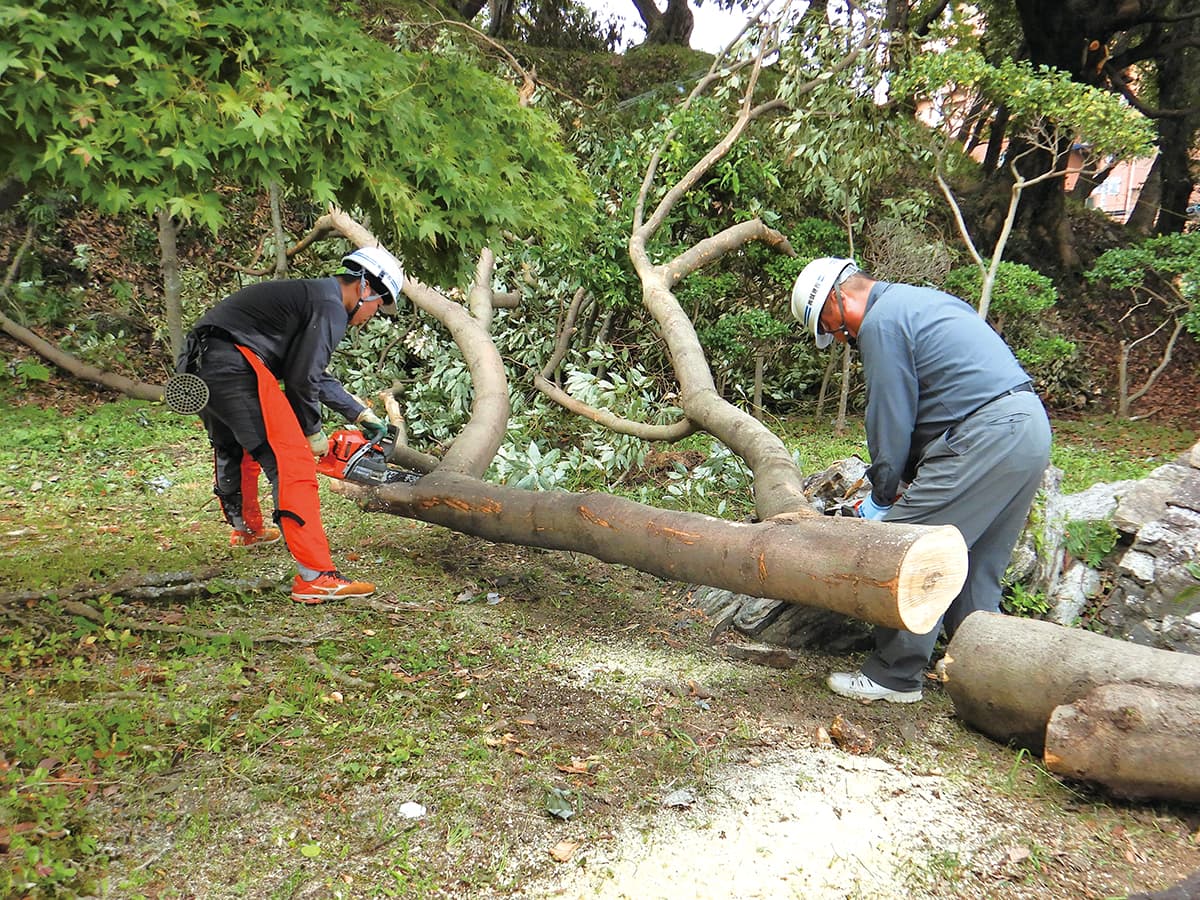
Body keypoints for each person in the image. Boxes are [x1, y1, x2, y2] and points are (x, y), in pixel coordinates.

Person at [790, 257, 1052, 702]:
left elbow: (890, 418)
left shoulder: (880, 324)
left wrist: (884, 494)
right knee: (975, 564)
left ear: (839, 297)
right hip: (1027, 427)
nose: (838, 339)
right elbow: (942, 398)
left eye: (830, 327)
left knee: (906, 548)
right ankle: (984, 679)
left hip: (985, 436)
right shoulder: (918, 302)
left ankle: (895, 675)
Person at [177, 246, 404, 604]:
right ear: (365, 288)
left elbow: (311, 372)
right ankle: (316, 577)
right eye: (380, 305)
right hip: (236, 364)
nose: (374, 315)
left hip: (201, 363)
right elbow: (302, 378)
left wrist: (359, 414)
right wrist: (312, 433)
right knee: (290, 461)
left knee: (234, 446)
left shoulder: (315, 296)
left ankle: (246, 529)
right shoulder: (330, 306)